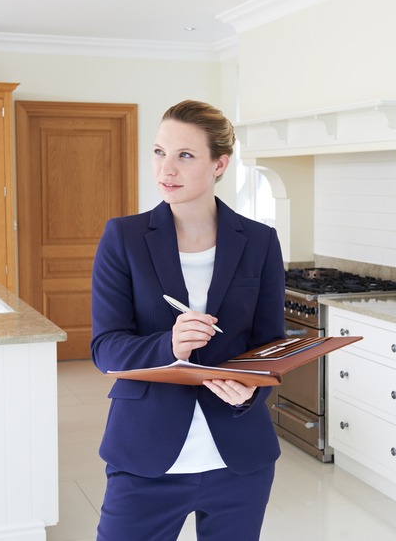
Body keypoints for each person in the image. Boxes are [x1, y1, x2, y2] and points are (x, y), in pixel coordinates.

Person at [90, 99, 286, 540]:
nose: (166, 170)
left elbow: (270, 347)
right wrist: (169, 346)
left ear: (220, 164)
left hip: (239, 462)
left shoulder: (260, 241)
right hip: (144, 458)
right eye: (160, 152)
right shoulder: (123, 238)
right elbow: (105, 348)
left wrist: (248, 392)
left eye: (185, 155)